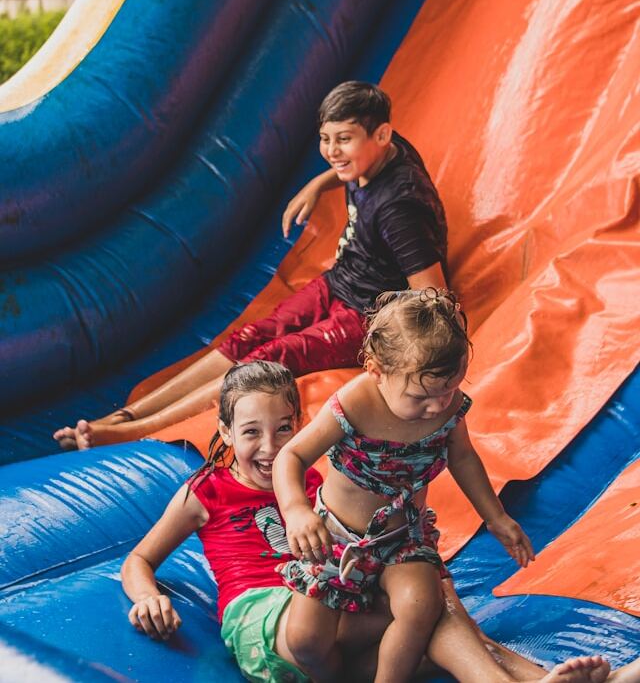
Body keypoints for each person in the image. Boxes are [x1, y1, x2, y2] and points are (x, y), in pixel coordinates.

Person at [120, 360, 625, 683]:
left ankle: (549, 682)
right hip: (269, 621)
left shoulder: (318, 485)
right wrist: (148, 597)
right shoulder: (206, 491)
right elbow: (140, 559)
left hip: (338, 624)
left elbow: (372, 546)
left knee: (426, 616)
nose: (270, 448)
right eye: (251, 432)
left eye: (283, 430)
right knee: (434, 612)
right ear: (225, 431)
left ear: (299, 427)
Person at [54, 80, 449, 450]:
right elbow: (347, 159)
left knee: (267, 358)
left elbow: (435, 296)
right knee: (249, 336)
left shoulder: (400, 209)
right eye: (325, 139)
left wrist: (397, 353)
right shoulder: (380, 150)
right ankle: (126, 414)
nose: (331, 151)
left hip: (365, 315)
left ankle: (134, 432)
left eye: (343, 140)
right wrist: (317, 184)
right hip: (341, 280)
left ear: (380, 135)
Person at [273, 289, 535, 683]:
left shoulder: (447, 404)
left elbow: (462, 457)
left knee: (421, 604)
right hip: (336, 537)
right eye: (421, 397)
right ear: (377, 370)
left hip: (402, 536)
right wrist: (296, 510)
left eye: (449, 389)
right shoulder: (354, 402)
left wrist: (495, 516)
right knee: (305, 640)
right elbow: (289, 457)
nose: (437, 405)